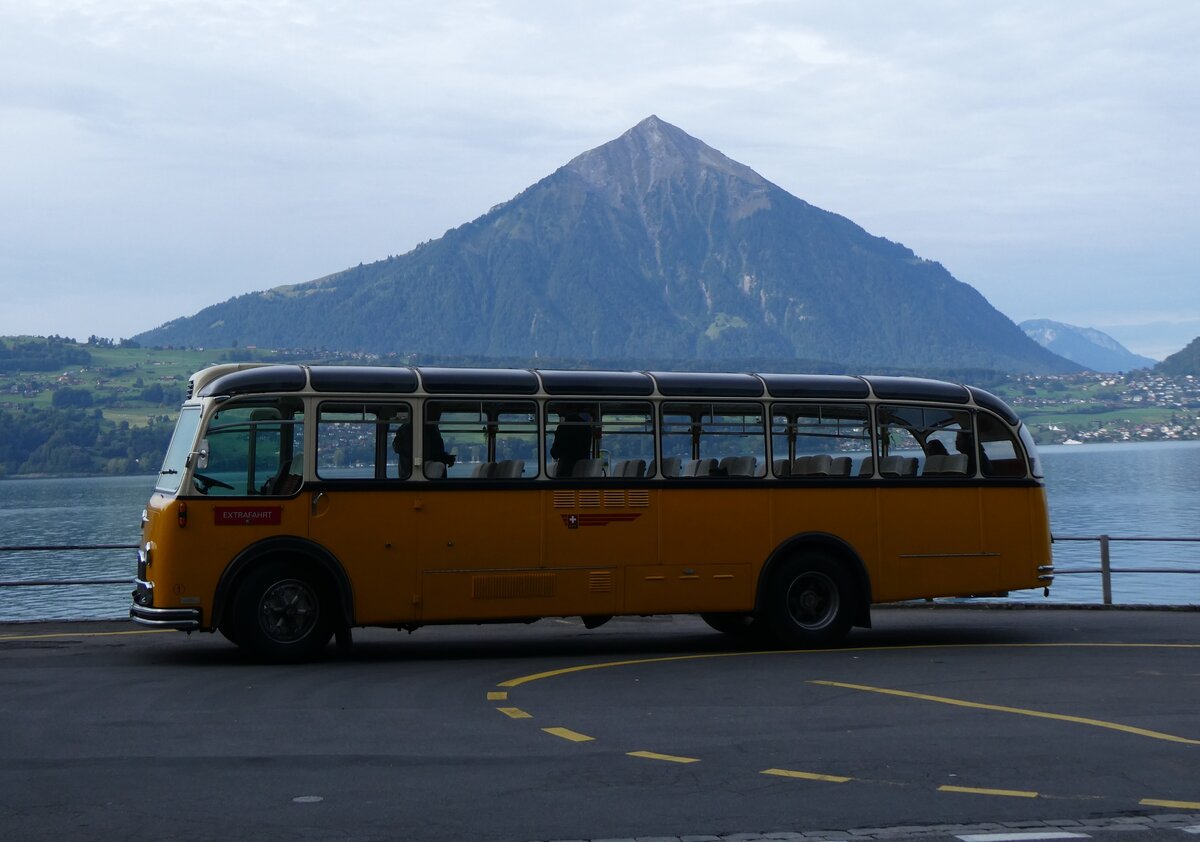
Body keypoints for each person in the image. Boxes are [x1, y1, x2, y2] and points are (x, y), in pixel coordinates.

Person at [550, 405, 592, 478]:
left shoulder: (564, 427)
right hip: (582, 471)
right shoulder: (586, 427)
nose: (556, 409)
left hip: (566, 472)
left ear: (565, 408)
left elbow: (555, 453)